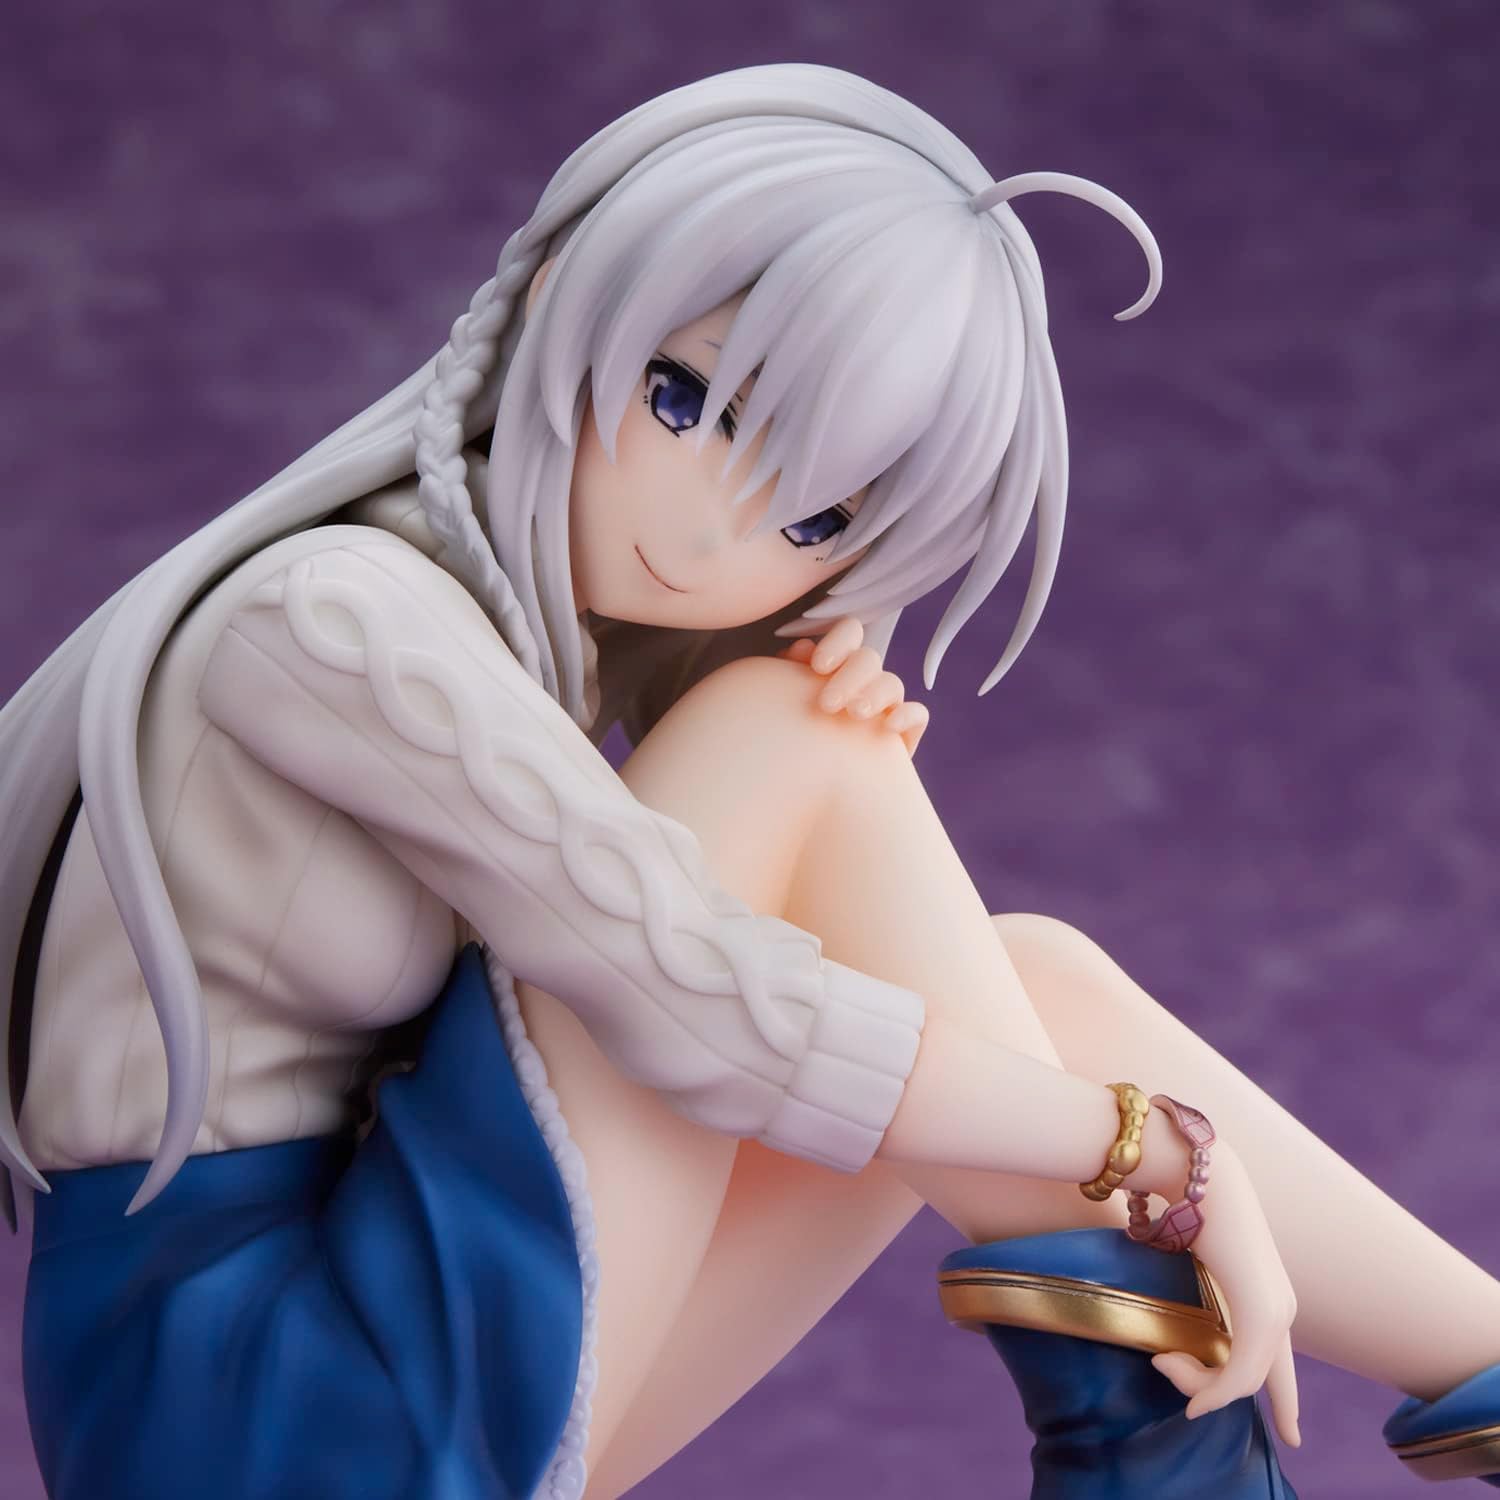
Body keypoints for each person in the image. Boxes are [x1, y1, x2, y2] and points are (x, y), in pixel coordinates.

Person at [2, 63, 1496, 1500]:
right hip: (245, 1398)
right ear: (567, 298)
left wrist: (805, 695)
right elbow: (694, 1002)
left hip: (363, 1322)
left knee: (1020, 980)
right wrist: (1149, 1148)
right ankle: (1165, 1462)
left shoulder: (525, 635)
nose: (713, 538)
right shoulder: (330, 616)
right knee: (820, 796)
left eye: (820, 516)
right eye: (681, 399)